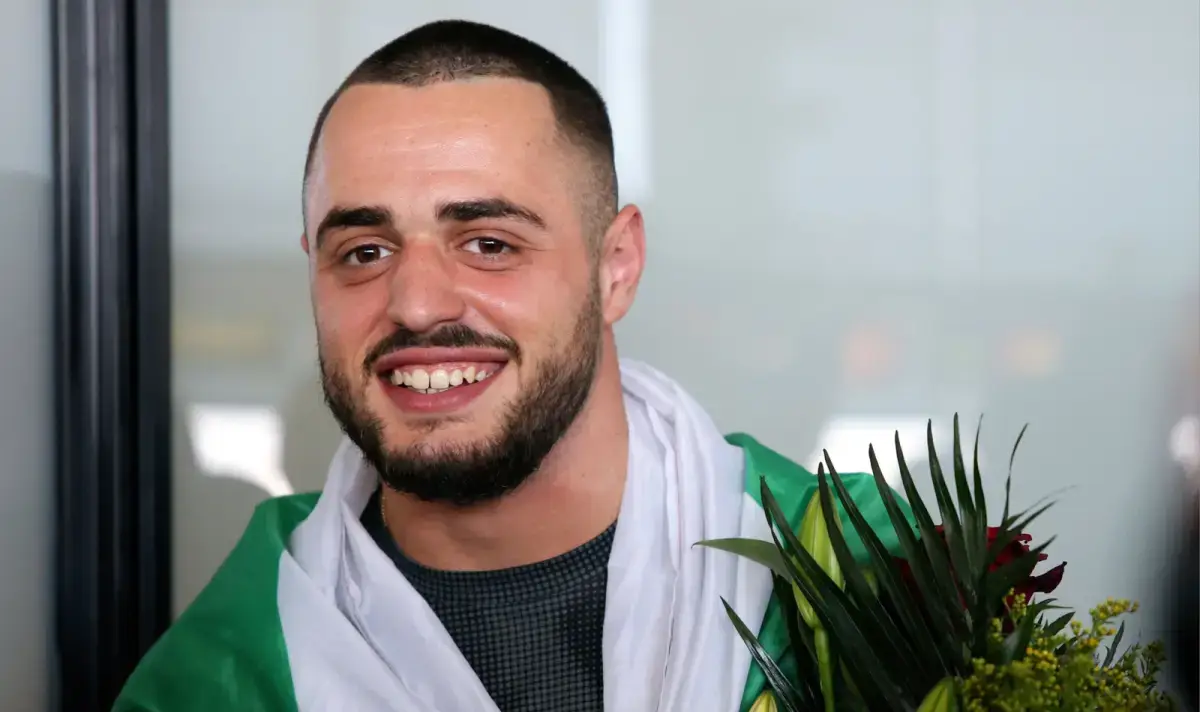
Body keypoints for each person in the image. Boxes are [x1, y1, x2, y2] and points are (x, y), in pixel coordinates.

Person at [114, 20, 908, 712]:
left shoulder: (878, 582)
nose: (416, 304)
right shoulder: (221, 675)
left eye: (489, 244)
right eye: (364, 252)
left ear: (617, 267)